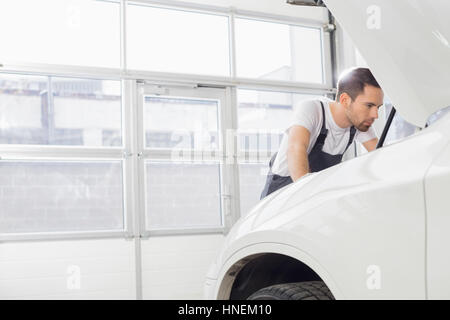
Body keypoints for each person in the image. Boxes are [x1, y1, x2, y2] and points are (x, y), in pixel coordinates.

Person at [260, 67, 384, 199]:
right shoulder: (312, 110)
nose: (375, 115)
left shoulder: (360, 122)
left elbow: (381, 157)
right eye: (369, 106)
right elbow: (296, 148)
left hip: (315, 191)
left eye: (378, 107)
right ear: (345, 100)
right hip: (281, 192)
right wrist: (311, 198)